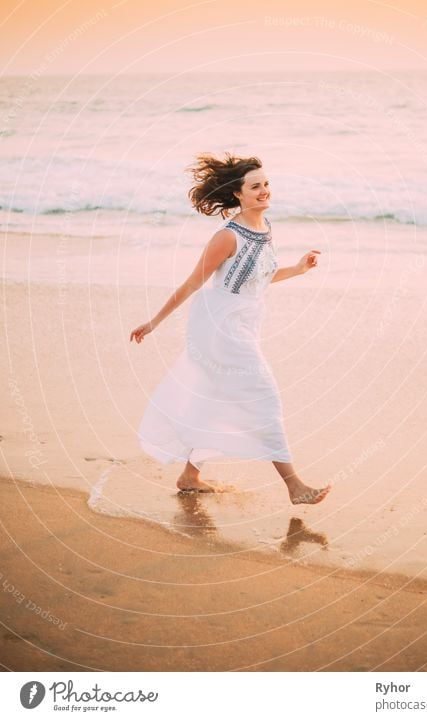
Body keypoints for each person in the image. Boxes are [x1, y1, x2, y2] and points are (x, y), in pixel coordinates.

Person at [130, 152, 331, 505]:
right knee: (263, 395)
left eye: (266, 184)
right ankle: (295, 486)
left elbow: (261, 278)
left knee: (215, 399)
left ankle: (189, 476)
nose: (264, 191)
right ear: (238, 194)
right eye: (255, 186)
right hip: (220, 327)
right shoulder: (226, 237)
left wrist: (298, 269)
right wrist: (154, 321)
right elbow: (193, 283)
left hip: (245, 323)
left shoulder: (265, 229)